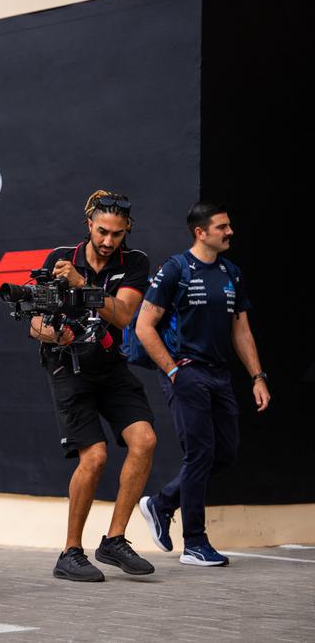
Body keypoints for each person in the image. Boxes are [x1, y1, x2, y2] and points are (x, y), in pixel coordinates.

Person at [29, 191, 157, 581]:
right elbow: (34, 324)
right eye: (102, 231)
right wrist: (54, 336)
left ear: (126, 232)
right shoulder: (58, 259)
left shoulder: (134, 263)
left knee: (145, 440)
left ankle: (114, 540)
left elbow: (122, 316)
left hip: (111, 367)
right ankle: (69, 553)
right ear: (89, 225)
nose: (107, 241)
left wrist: (81, 282)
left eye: (116, 234)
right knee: (95, 456)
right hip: (68, 369)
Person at [136, 202, 270, 566]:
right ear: (201, 232)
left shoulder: (231, 272)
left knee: (224, 453)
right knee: (199, 453)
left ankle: (162, 503)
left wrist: (257, 377)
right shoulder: (175, 270)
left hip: (219, 373)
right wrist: (172, 371)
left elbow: (241, 330)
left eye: (229, 225)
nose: (230, 232)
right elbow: (144, 327)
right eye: (222, 227)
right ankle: (194, 542)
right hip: (186, 371)